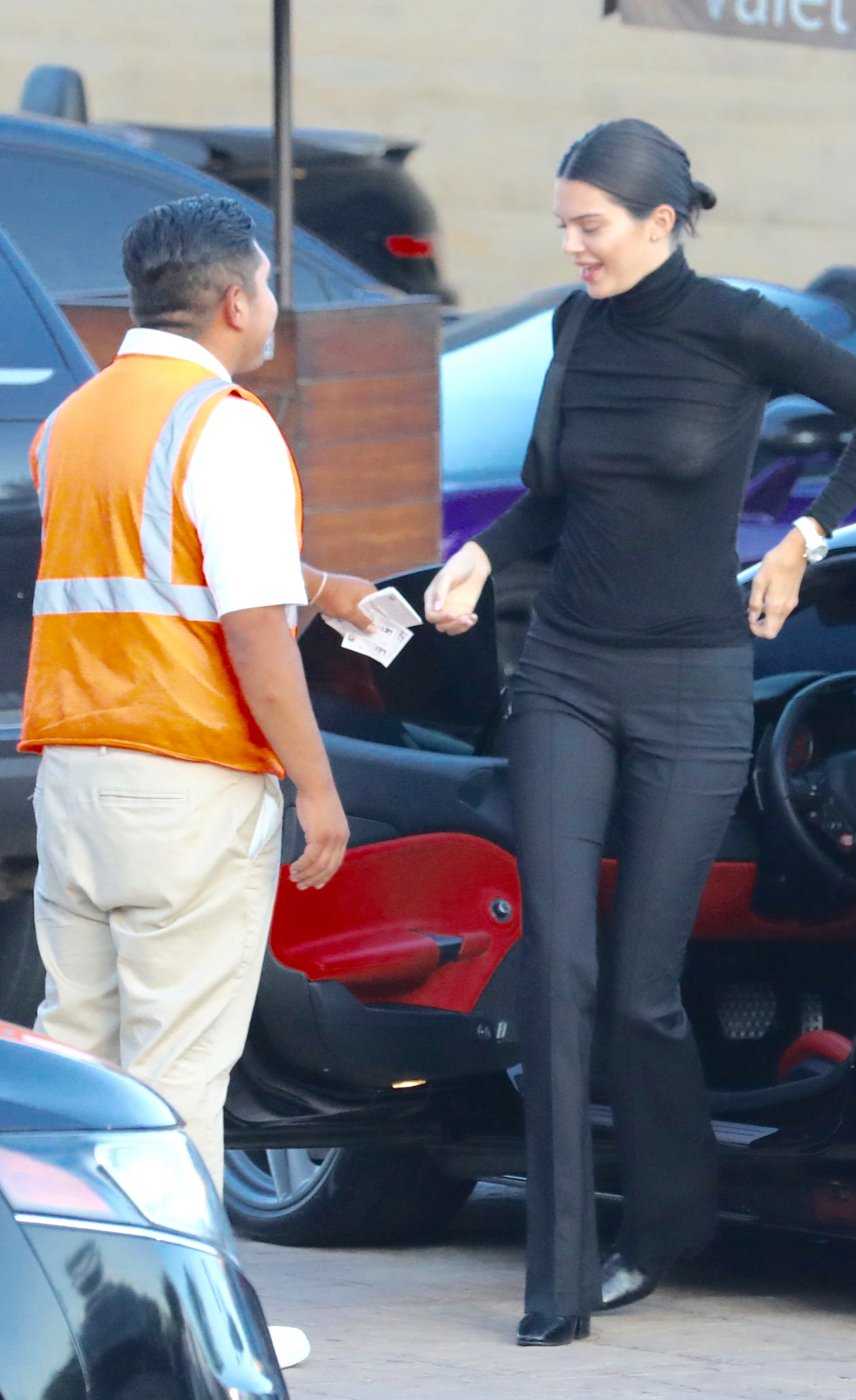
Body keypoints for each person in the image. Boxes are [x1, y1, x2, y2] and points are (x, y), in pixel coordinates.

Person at [424, 119, 856, 1347]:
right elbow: (549, 497)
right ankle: (558, 1280)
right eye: (563, 226)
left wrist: (805, 537)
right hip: (565, 671)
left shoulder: (741, 327)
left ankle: (665, 1224)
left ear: (660, 222)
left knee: (643, 990)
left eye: (589, 225)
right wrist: (480, 553)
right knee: (561, 966)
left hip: (696, 686)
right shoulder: (575, 325)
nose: (572, 246)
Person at [21, 192, 371, 1297]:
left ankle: (67, 1312)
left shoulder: (72, 422)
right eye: (267, 284)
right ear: (233, 300)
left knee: (76, 1062)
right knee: (178, 1077)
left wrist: (325, 585)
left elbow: (163, 560)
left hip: (75, 777)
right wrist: (317, 787)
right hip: (188, 780)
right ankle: (182, 1327)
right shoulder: (226, 423)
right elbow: (251, 627)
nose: (271, 303)